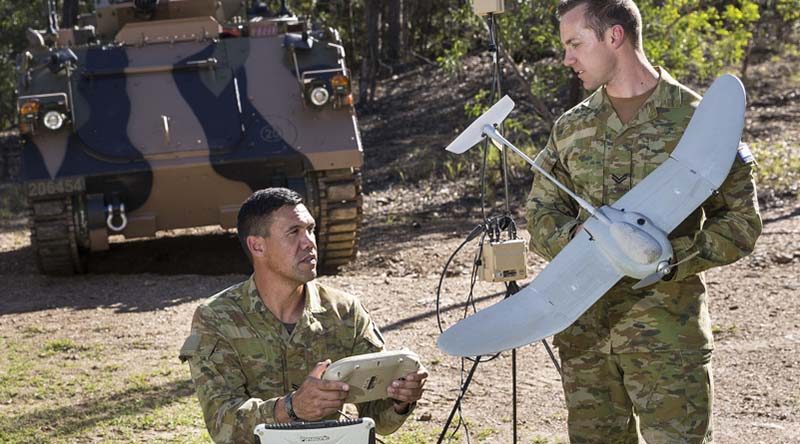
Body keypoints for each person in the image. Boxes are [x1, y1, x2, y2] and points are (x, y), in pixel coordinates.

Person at [526, 1, 762, 442]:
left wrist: (668, 260)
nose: (567, 59)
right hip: (586, 338)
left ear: (614, 37)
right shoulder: (571, 127)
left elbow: (742, 222)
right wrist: (576, 239)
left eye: (575, 44)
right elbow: (540, 212)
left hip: (667, 339)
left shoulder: (700, 123)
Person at [179, 187, 427, 443]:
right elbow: (223, 423)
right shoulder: (217, 318)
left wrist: (400, 399)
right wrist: (291, 408)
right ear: (257, 246)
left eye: (310, 229)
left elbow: (379, 418)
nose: (309, 241)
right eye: (293, 232)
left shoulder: (345, 311)